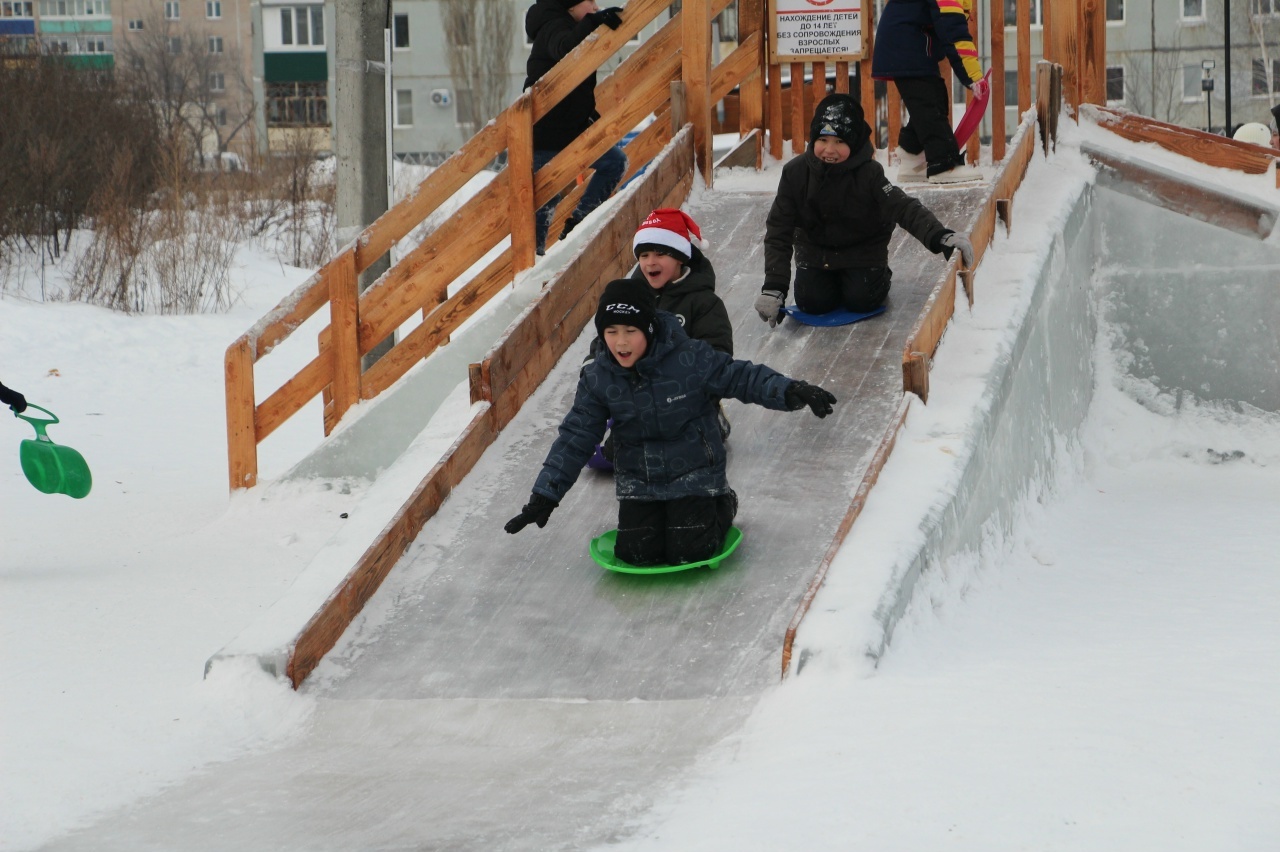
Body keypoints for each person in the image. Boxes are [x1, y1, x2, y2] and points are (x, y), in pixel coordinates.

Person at [506, 278, 837, 567]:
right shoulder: (599, 377)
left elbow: (740, 377)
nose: (620, 343)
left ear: (648, 329)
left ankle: (722, 504)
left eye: (630, 332)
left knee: (690, 552)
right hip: (639, 480)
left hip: (693, 473)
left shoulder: (689, 357)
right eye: (611, 332)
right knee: (636, 555)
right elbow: (576, 436)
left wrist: (792, 391)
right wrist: (545, 495)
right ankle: (666, 520)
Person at [754, 93, 975, 326]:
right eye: (823, 140)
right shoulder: (795, 173)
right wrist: (773, 288)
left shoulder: (869, 173)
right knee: (812, 302)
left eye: (840, 142)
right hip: (816, 254)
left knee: (861, 298)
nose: (830, 149)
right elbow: (779, 228)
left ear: (854, 143)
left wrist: (940, 236)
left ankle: (878, 275)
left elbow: (903, 207)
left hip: (863, 252)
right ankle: (831, 283)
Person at [524, 0, 628, 255]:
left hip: (571, 130)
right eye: (588, 2)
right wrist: (594, 22)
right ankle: (532, 263)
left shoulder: (570, 25)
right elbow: (564, 48)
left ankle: (580, 221)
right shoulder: (553, 26)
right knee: (546, 201)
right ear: (570, 6)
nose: (595, 6)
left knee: (615, 162)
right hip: (546, 134)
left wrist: (588, 116)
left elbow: (576, 90)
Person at [872, 0, 985, 184]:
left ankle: (913, 157)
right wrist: (972, 76)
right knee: (929, 107)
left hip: (911, 46)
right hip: (905, 47)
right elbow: (953, 31)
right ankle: (943, 164)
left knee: (932, 99)